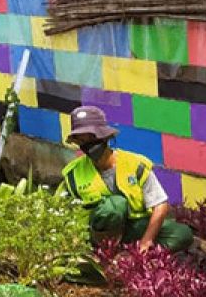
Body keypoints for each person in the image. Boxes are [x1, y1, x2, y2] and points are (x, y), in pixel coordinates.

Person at [60, 105, 193, 253]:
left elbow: (160, 205)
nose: (87, 145)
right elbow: (60, 211)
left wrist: (147, 240)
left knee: (182, 234)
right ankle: (107, 252)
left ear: (105, 137)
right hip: (97, 235)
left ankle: (136, 255)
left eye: (91, 138)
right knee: (115, 205)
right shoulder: (73, 173)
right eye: (82, 141)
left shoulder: (135, 164)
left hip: (134, 226)